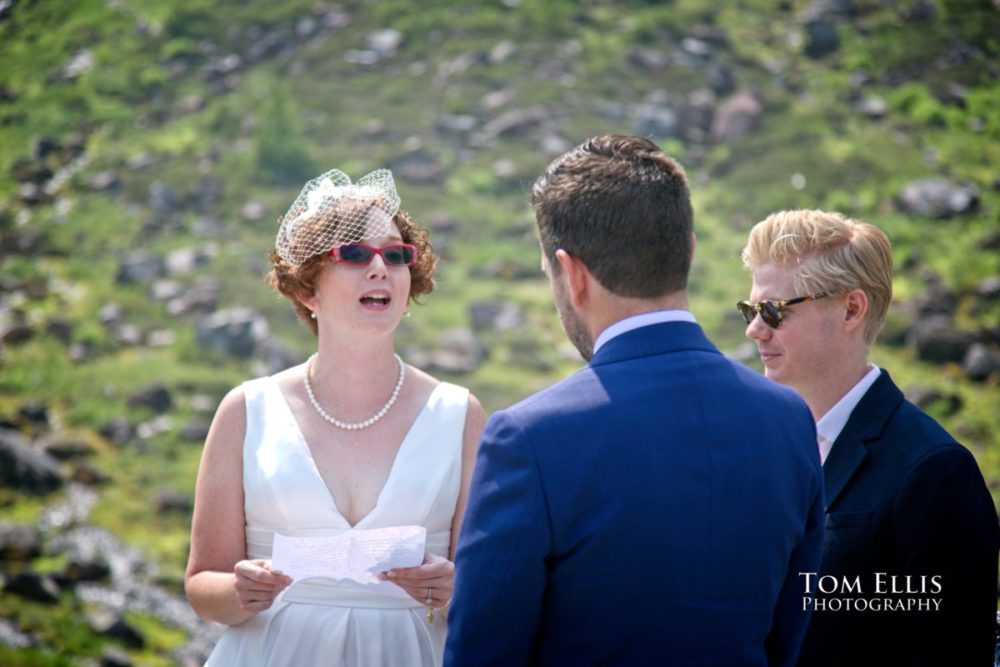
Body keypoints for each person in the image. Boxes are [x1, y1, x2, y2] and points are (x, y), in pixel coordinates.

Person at [444, 134, 824, 666]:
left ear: (571, 273)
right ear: (688, 248)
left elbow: (481, 655)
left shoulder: (529, 440)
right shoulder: (788, 419)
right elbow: (788, 638)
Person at [184, 168, 485, 666]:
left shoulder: (459, 414)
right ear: (307, 290)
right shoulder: (245, 409)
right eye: (352, 254)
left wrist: (453, 587)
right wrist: (239, 592)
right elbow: (201, 583)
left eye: (395, 255)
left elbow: (485, 585)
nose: (379, 268)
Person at [738, 209, 1000, 667]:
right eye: (750, 310)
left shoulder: (935, 472)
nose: (754, 329)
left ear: (851, 309)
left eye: (773, 311)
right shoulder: (758, 450)